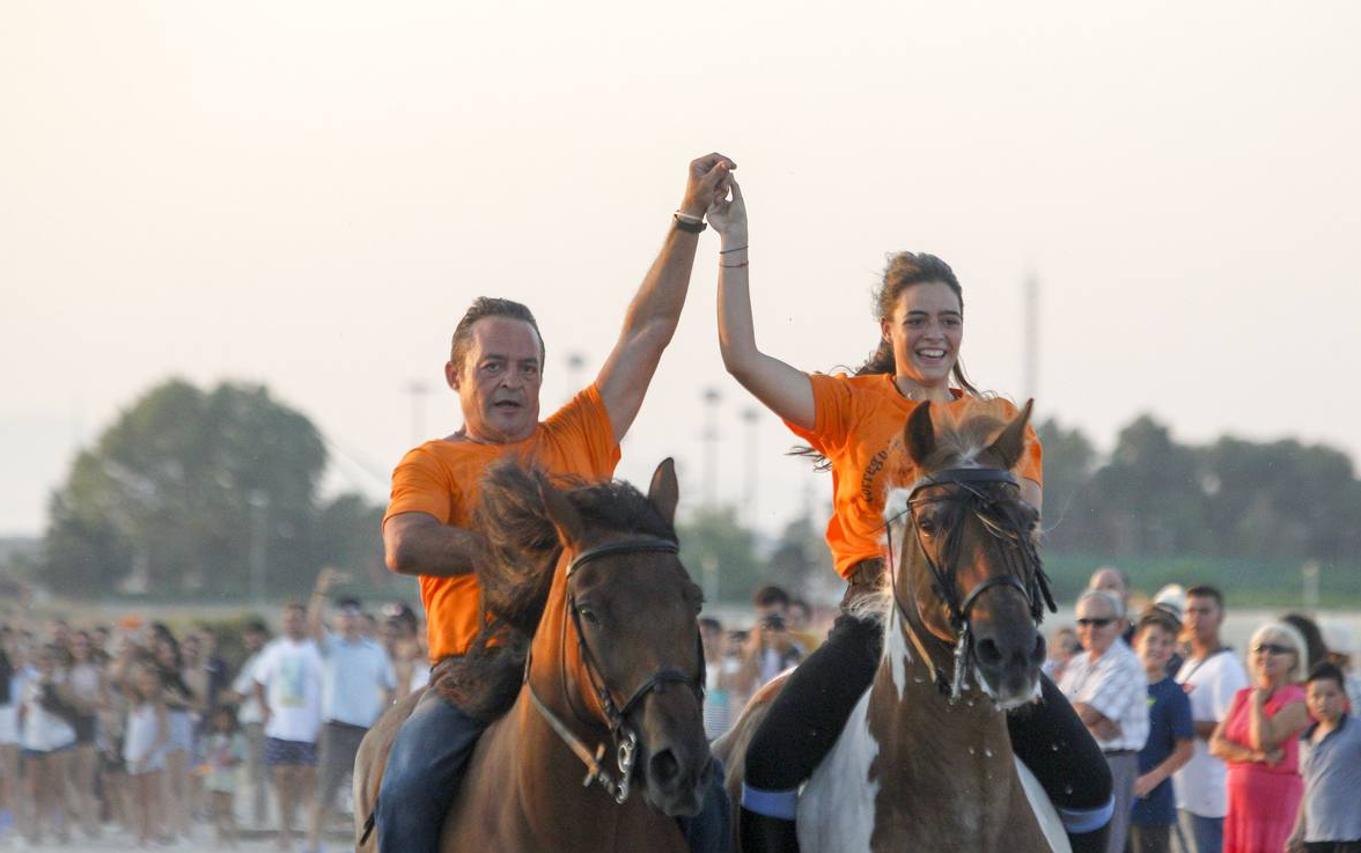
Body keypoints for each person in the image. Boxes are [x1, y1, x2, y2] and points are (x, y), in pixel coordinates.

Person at [707, 179, 1114, 853]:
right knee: (772, 759)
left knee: (1091, 782)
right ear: (887, 329)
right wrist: (734, 244)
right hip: (872, 616)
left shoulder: (997, 425)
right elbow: (742, 359)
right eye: (918, 319)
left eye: (948, 319)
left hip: (979, 617)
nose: (934, 334)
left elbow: (1024, 526)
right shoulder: (850, 404)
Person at [373, 153, 737, 853]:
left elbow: (647, 331)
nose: (512, 381)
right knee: (407, 784)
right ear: (455, 375)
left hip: (592, 669)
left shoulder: (576, 437)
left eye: (527, 367)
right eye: (493, 366)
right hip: (472, 676)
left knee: (708, 793)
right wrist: (530, 548)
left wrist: (689, 219)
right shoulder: (431, 461)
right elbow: (406, 543)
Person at [305, 568, 396, 853]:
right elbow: (313, 625)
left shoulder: (375, 650)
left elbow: (390, 687)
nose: (348, 618)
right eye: (343, 614)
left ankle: (368, 844)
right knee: (326, 792)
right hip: (336, 729)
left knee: (372, 790)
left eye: (353, 613)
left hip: (367, 731)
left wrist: (383, 717)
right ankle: (313, 845)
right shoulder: (331, 646)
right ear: (337, 619)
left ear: (360, 618)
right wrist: (321, 590)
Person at [1058, 590, 1150, 853]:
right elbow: (1059, 714)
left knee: (1106, 844)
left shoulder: (1125, 663)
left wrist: (1083, 715)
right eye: (1083, 622)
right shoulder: (1077, 663)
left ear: (1120, 625)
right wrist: (1090, 718)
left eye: (1100, 622)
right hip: (1078, 759)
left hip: (1113, 763)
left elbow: (1079, 716)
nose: (1090, 629)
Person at [1210, 621, 1310, 853]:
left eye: (1276, 649)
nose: (1266, 654)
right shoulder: (1242, 696)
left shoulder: (1297, 700)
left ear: (1294, 658)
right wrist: (1253, 757)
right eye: (1260, 648)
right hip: (1239, 806)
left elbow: (1263, 740)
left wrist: (1257, 704)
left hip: (1275, 805)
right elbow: (1216, 744)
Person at [1174, 585, 1250, 853]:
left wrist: (1180, 725)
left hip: (1213, 796)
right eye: (1190, 611)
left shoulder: (1226, 668)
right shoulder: (1189, 664)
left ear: (1220, 617)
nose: (1196, 618)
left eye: (1204, 611)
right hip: (1186, 792)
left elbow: (1231, 729)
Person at [253, 602, 325, 853]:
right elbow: (259, 682)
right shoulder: (273, 651)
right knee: (282, 782)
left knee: (308, 785)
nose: (293, 624)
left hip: (308, 729)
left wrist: (322, 722)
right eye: (289, 619)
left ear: (305, 622)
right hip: (279, 729)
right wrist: (263, 709)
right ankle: (285, 834)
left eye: (297, 619)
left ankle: (313, 839)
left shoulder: (315, 651)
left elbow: (326, 687)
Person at [1129, 607, 1194, 853]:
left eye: (1166, 643)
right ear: (1137, 642)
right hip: (1118, 798)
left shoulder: (1174, 694)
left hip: (1153, 805)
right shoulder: (1123, 685)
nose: (1157, 648)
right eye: (1152, 640)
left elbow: (1185, 749)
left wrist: (1150, 780)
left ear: (1173, 650)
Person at [1287, 662, 1361, 853]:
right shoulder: (1306, 739)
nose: (1322, 702)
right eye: (1315, 696)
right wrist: (1298, 831)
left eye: (1330, 695)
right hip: (1316, 837)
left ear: (1343, 696)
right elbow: (1309, 789)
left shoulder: (1356, 730)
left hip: (1350, 836)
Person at [226, 618, 272, 829]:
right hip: (254, 721)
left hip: (258, 720)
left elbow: (241, 692)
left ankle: (259, 816)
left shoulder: (264, 658)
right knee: (257, 770)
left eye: (255, 636)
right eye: (249, 637)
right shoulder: (254, 659)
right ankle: (259, 813)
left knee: (258, 771)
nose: (251, 640)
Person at [123, 662, 168, 847]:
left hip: (152, 757)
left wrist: (149, 752)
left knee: (152, 798)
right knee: (137, 798)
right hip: (133, 755)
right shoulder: (134, 703)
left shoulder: (159, 707)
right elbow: (123, 680)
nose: (148, 687)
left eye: (151, 683)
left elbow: (164, 734)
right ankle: (139, 833)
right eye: (144, 683)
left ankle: (153, 834)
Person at [736, 586, 805, 691]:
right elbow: (741, 688)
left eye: (774, 618)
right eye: (764, 619)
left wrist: (785, 649)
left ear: (787, 615)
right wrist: (753, 649)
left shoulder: (800, 644)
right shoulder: (753, 645)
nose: (770, 626)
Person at [203, 705, 246, 848]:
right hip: (214, 777)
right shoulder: (209, 738)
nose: (222, 723)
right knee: (217, 810)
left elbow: (241, 758)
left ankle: (233, 839)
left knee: (228, 810)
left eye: (225, 720)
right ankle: (219, 839)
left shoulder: (237, 738)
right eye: (219, 720)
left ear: (232, 721)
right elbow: (204, 757)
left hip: (229, 779)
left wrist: (232, 760)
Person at [1088, 566, 1134, 646]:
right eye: (1098, 590)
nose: (1105, 594)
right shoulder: (1082, 646)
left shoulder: (1142, 640)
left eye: (1111, 587)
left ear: (1128, 594)